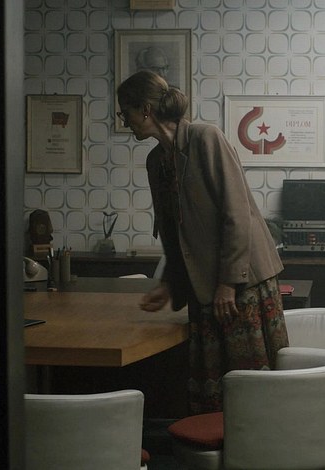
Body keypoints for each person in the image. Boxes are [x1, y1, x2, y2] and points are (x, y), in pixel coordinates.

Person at [116, 70, 289, 414]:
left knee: (251, 383)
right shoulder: (155, 161)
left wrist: (228, 283)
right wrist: (169, 284)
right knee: (213, 386)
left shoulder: (205, 138)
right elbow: (173, 232)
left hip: (243, 281)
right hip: (204, 285)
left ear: (146, 109)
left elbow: (237, 213)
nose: (125, 121)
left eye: (126, 113)